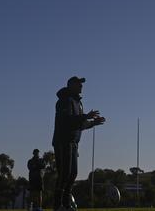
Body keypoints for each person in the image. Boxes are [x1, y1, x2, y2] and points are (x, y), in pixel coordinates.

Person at [52, 76, 105, 211]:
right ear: (70, 85)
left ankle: (67, 205)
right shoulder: (65, 100)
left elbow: (79, 124)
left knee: (72, 174)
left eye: (81, 84)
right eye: (78, 84)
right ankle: (58, 206)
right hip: (63, 142)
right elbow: (67, 121)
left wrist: (93, 123)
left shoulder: (78, 103)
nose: (81, 86)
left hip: (74, 143)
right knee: (64, 174)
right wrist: (85, 116)